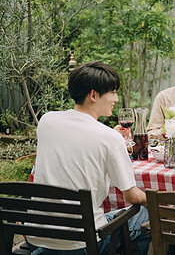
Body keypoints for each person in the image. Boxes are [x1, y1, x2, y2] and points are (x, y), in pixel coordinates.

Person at [28, 61, 150, 254]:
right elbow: (132, 196)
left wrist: (111, 135)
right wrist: (156, 201)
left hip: (36, 237)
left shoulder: (47, 120)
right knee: (146, 215)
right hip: (81, 243)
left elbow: (75, 138)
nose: (116, 99)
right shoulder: (110, 139)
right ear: (93, 95)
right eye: (113, 92)